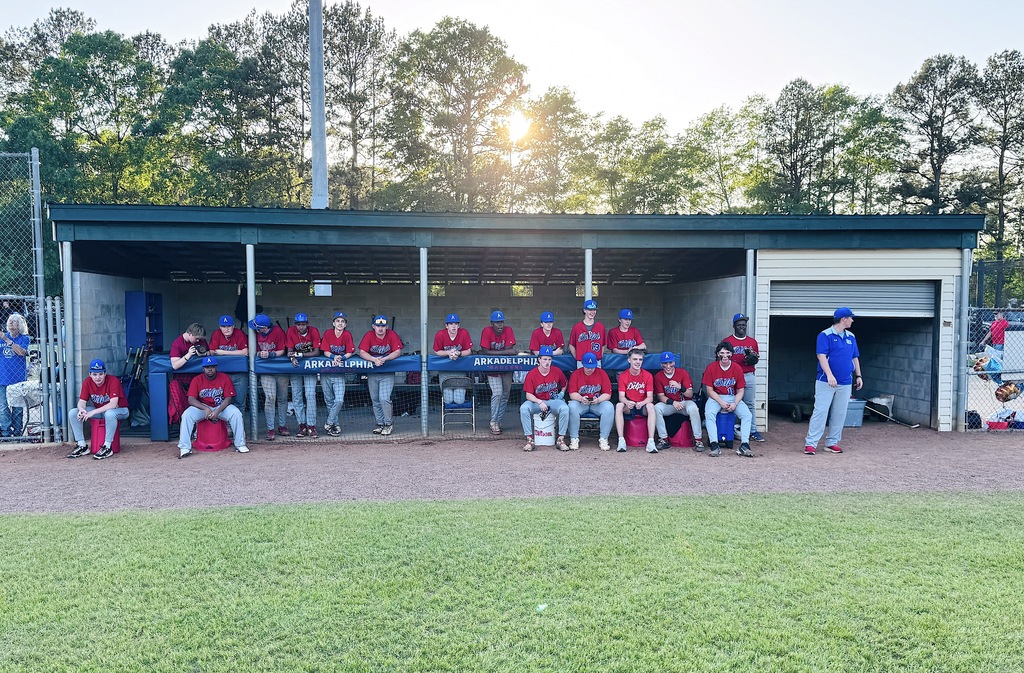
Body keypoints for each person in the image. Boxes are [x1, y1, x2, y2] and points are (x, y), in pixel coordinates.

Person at [804, 307, 863, 455]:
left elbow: (854, 357)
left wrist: (859, 375)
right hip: (825, 381)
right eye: (850, 317)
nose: (852, 320)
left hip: (845, 382)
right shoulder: (825, 335)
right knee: (821, 411)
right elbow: (821, 356)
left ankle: (832, 442)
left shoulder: (851, 336)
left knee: (840, 413)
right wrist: (829, 375)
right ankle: (811, 443)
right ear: (843, 319)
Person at [177, 356, 248, 459]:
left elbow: (228, 399)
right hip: (203, 408)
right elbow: (191, 399)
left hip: (221, 407)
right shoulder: (197, 380)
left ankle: (240, 444)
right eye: (207, 367)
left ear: (216, 367)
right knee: (187, 415)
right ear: (203, 368)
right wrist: (205, 408)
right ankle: (184, 448)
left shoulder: (224, 377)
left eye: (212, 367)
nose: (210, 369)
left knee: (236, 414)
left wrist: (218, 411)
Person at [66, 359, 129, 460]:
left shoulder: (113, 381)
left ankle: (107, 447)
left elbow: (113, 404)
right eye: (94, 374)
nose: (98, 377)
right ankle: (82, 445)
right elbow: (82, 401)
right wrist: (81, 409)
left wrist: (92, 413)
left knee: (109, 414)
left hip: (121, 410)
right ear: (90, 374)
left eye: (100, 374)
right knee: (73, 412)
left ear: (105, 373)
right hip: (100, 410)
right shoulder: (87, 382)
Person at [702, 342, 754, 458]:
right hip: (716, 397)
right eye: (722, 353)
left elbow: (740, 390)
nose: (725, 356)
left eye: (727, 353)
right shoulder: (711, 367)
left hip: (732, 397)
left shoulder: (737, 368)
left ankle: (744, 444)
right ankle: (714, 443)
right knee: (709, 413)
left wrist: (735, 403)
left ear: (732, 354)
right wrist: (721, 402)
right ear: (717, 354)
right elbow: (709, 390)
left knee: (747, 415)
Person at [358, 315, 404, 436]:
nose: (380, 328)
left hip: (387, 371)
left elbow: (398, 351)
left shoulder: (391, 334)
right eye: (378, 326)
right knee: (375, 399)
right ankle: (380, 424)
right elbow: (362, 352)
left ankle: (388, 424)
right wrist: (374, 359)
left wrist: (385, 358)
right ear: (373, 326)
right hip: (373, 372)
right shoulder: (369, 335)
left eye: (383, 326)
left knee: (384, 398)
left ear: (386, 327)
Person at [723, 313, 765, 442]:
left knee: (750, 404)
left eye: (744, 325)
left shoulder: (752, 342)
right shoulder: (727, 341)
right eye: (739, 325)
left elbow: (756, 359)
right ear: (734, 326)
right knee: (731, 402)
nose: (742, 327)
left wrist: (752, 360)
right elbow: (720, 359)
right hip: (732, 377)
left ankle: (752, 431)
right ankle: (731, 429)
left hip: (748, 375)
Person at [519, 346, 569, 451]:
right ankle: (530, 440)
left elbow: (564, 383)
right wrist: (539, 401)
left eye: (549, 359)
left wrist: (562, 393)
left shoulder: (557, 371)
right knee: (524, 408)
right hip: (537, 402)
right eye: (545, 359)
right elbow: (528, 395)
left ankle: (560, 439)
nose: (547, 362)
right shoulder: (532, 373)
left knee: (565, 409)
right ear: (539, 359)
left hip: (553, 401)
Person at [653, 351, 705, 451]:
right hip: (670, 404)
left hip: (684, 403)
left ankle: (698, 440)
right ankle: (664, 439)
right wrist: (673, 402)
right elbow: (660, 396)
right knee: (656, 408)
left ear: (674, 362)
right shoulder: (658, 376)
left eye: (670, 363)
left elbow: (689, 394)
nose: (668, 366)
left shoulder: (682, 373)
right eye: (665, 363)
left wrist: (680, 387)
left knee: (693, 407)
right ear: (661, 364)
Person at [249, 314, 288, 441]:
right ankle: (270, 428)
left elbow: (282, 351)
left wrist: (270, 354)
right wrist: (260, 353)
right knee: (270, 397)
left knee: (282, 398)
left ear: (264, 328)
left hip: (280, 369)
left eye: (258, 327)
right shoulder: (254, 333)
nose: (255, 329)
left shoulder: (278, 332)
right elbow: (252, 350)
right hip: (265, 369)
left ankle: (282, 426)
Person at [566, 351, 613, 451]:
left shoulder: (601, 373)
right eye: (587, 366)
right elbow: (572, 394)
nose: (590, 369)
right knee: (571, 406)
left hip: (597, 402)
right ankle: (574, 438)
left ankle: (604, 439)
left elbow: (607, 394)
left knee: (609, 406)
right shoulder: (576, 374)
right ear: (582, 364)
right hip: (581, 403)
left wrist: (599, 399)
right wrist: (580, 398)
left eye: (592, 367)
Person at [480, 310, 517, 434]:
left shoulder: (509, 330)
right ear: (492, 323)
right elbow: (485, 351)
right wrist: (506, 352)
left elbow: (509, 349)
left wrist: (504, 352)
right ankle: (493, 421)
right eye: (497, 323)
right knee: (497, 394)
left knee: (505, 395)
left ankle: (497, 420)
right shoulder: (487, 331)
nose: (500, 325)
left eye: (501, 322)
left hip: (507, 368)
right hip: (492, 368)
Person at [614, 348, 658, 453]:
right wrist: (627, 402)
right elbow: (621, 397)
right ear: (629, 360)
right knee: (619, 406)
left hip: (642, 405)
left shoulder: (647, 375)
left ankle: (651, 442)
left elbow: (650, 397)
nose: (638, 362)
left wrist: (642, 403)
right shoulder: (623, 376)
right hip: (629, 405)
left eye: (640, 359)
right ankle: (621, 440)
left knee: (651, 406)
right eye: (635, 359)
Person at [320, 311, 355, 436]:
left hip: (339, 373)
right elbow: (324, 351)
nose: (340, 323)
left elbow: (350, 352)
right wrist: (334, 356)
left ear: (345, 324)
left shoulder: (347, 334)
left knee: (339, 400)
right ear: (333, 323)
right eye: (338, 321)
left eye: (342, 321)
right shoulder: (328, 333)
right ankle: (335, 425)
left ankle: (329, 422)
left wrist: (341, 358)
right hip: (326, 372)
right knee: (329, 400)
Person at [287, 312, 321, 438]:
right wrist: (292, 358)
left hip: (309, 368)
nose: (301, 327)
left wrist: (300, 355)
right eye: (298, 324)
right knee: (296, 396)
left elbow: (317, 352)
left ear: (307, 324)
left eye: (303, 324)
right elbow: (289, 351)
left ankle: (311, 426)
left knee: (310, 395)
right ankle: (302, 426)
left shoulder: (314, 331)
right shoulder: (291, 331)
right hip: (296, 368)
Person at [168, 323, 209, 425]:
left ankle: (199, 429)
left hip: (197, 380)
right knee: (179, 406)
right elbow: (175, 365)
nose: (198, 341)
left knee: (202, 404)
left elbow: (210, 353)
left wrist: (203, 354)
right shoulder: (177, 343)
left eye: (200, 339)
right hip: (181, 382)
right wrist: (189, 355)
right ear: (189, 333)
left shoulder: (201, 341)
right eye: (196, 338)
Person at [209, 314, 248, 414]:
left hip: (239, 373)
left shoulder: (239, 333)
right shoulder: (216, 334)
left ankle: (239, 427)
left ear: (233, 326)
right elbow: (212, 351)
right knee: (222, 402)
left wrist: (223, 352)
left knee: (240, 402)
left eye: (229, 326)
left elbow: (245, 352)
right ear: (220, 327)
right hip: (222, 374)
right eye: (223, 326)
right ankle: (226, 428)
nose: (226, 329)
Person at [433, 313, 473, 406]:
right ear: (446, 326)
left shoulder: (463, 333)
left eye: (456, 324)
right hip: (445, 371)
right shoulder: (440, 334)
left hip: (460, 370)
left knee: (459, 401)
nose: (453, 326)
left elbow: (468, 350)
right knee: (448, 400)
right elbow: (436, 351)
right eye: (451, 324)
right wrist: (448, 353)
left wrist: (459, 353)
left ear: (459, 325)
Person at [1, 313, 31, 437]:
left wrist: (8, 340)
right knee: (3, 406)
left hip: (18, 379)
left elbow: (21, 352)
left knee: (18, 407)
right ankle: (5, 432)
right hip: (2, 377)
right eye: (10, 321)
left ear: (20, 324)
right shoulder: (2, 337)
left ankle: (17, 432)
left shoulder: (24, 338)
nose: (11, 323)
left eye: (14, 321)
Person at [569, 299, 605, 366]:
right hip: (581, 362)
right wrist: (578, 358)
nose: (592, 312)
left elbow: (603, 344)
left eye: (594, 310)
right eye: (590, 310)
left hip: (596, 361)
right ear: (584, 310)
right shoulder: (577, 327)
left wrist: (598, 357)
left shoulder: (601, 327)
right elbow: (571, 345)